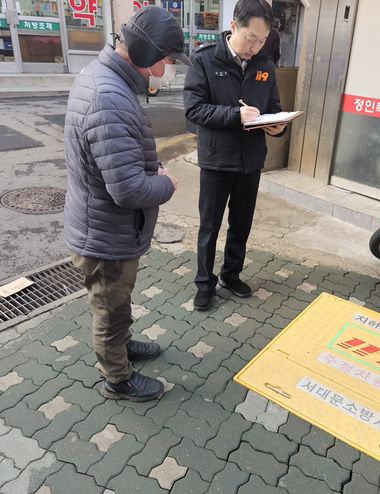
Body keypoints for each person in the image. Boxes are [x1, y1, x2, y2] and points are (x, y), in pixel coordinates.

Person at [64, 6, 190, 402]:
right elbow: (129, 190)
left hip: (104, 226)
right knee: (110, 308)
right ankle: (117, 379)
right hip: (106, 235)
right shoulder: (109, 98)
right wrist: (165, 183)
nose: (168, 68)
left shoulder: (104, 79)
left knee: (117, 300)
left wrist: (149, 166)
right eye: (167, 59)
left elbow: (119, 159)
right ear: (147, 54)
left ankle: (122, 345)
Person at [184, 0, 286, 311]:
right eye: (251, 38)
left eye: (262, 40)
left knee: (241, 224)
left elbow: (274, 108)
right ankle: (205, 284)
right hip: (217, 161)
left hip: (251, 161)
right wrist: (234, 115)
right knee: (210, 227)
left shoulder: (265, 65)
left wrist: (277, 126)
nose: (255, 47)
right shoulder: (204, 60)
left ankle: (231, 275)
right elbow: (194, 110)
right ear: (233, 27)